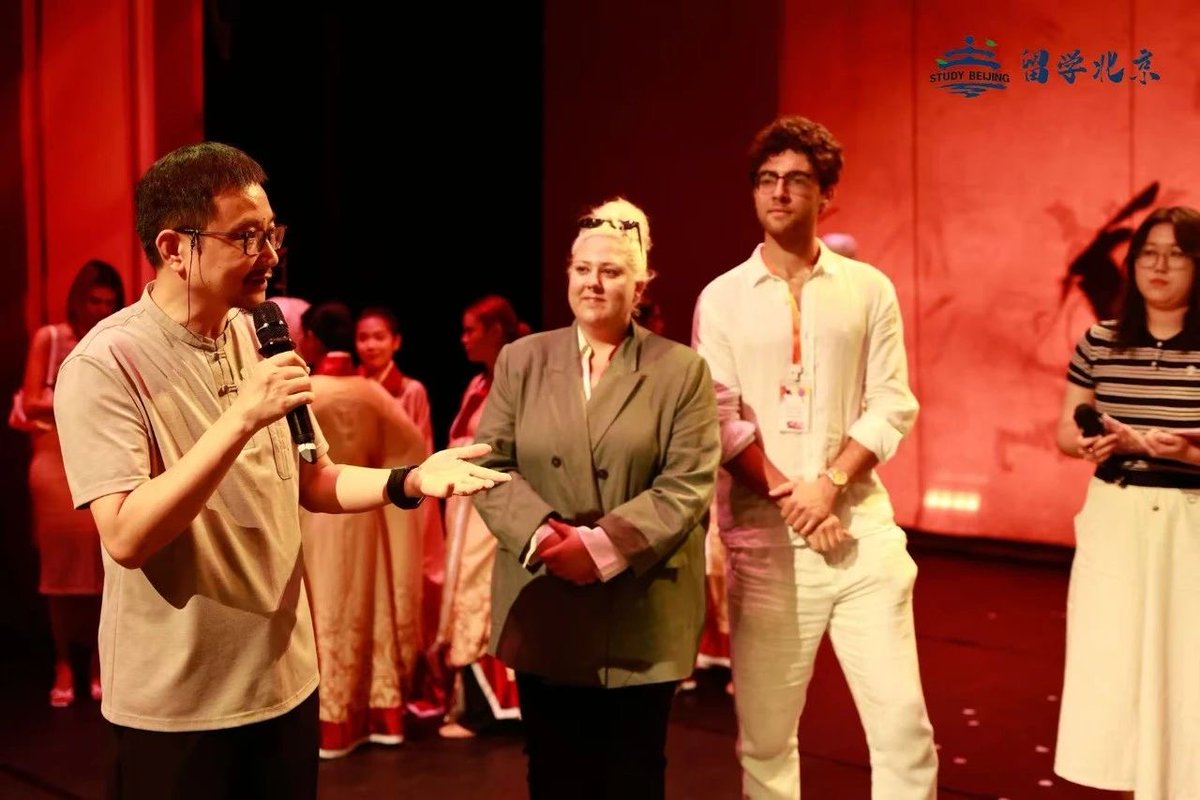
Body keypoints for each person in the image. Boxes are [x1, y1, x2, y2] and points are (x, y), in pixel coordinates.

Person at [51, 141, 508, 800]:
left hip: (285, 683)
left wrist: (409, 480)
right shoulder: (105, 365)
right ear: (175, 247)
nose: (270, 254)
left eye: (272, 233)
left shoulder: (255, 332)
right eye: (247, 237)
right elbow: (124, 536)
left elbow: (312, 477)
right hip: (181, 705)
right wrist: (240, 417)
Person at [692, 115, 937, 799]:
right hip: (765, 543)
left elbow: (892, 403)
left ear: (825, 194)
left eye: (797, 180)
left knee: (902, 729)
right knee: (767, 739)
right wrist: (792, 501)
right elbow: (721, 417)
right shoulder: (722, 298)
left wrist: (828, 486)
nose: (779, 192)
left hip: (860, 531)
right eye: (767, 180)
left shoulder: (868, 288)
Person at [471, 197, 720, 799]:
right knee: (553, 774)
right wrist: (545, 537)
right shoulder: (522, 360)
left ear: (640, 283)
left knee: (631, 774)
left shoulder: (680, 370)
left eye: (611, 271)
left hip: (639, 605)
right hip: (545, 594)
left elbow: (687, 483)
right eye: (583, 269)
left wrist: (604, 548)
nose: (594, 283)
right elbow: (489, 462)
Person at [1054, 206, 1200, 800]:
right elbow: (1064, 430)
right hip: (1116, 512)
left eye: (1176, 253)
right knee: (1116, 660)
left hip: (1190, 515)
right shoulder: (1101, 339)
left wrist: (1189, 453)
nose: (1159, 266)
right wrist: (1089, 441)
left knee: (1187, 666)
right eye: (1147, 253)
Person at [295, 301, 428, 759]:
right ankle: (378, 712)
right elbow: (412, 447)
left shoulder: (306, 390)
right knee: (365, 607)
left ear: (312, 338)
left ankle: (329, 717)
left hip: (315, 513)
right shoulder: (373, 393)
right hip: (366, 512)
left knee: (321, 608)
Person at [16, 259, 125, 707]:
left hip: (100, 453)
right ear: (78, 298)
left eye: (109, 302)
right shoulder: (53, 337)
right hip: (54, 458)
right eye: (93, 300)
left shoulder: (116, 341)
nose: (100, 309)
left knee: (104, 561)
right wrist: (78, 398)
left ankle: (100, 662)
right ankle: (63, 662)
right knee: (59, 569)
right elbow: (30, 399)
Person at [435, 294, 528, 738]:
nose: (464, 338)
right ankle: (474, 703)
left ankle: (492, 707)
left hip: (497, 502)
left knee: (486, 594)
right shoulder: (479, 385)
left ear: (495, 330)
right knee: (467, 591)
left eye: (472, 328)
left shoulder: (517, 379)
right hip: (467, 507)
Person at [356, 304, 447, 697]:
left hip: (406, 497)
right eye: (363, 337)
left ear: (396, 342)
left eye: (379, 336)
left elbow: (420, 447)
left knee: (411, 579)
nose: (370, 345)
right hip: (361, 501)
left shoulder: (410, 391)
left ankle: (410, 678)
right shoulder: (355, 386)